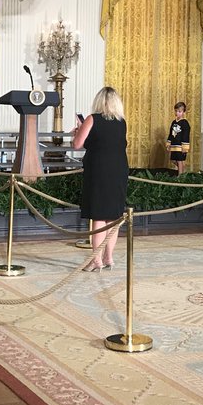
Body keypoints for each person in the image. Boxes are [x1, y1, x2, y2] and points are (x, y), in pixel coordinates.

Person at [72, 86, 129, 271]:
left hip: (98, 170)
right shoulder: (122, 122)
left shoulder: (92, 119)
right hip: (119, 169)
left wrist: (78, 131)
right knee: (113, 216)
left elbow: (77, 145)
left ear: (99, 101)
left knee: (98, 216)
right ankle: (109, 258)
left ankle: (96, 260)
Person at [165, 101, 191, 175]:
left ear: (183, 112)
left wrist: (185, 147)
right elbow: (171, 133)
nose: (177, 113)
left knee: (180, 160)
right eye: (176, 111)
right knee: (173, 160)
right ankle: (183, 169)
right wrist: (168, 143)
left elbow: (186, 135)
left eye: (179, 111)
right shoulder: (173, 122)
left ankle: (180, 176)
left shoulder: (185, 123)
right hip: (174, 145)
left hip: (180, 146)